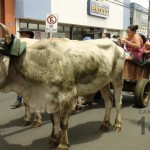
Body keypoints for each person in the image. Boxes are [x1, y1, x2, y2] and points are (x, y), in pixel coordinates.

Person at [11, 28, 34, 109]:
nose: (22, 35)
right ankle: (18, 100)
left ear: (29, 35)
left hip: (32, 68)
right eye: (22, 34)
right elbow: (14, 54)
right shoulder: (18, 43)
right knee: (20, 85)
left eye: (24, 34)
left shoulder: (34, 44)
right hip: (21, 67)